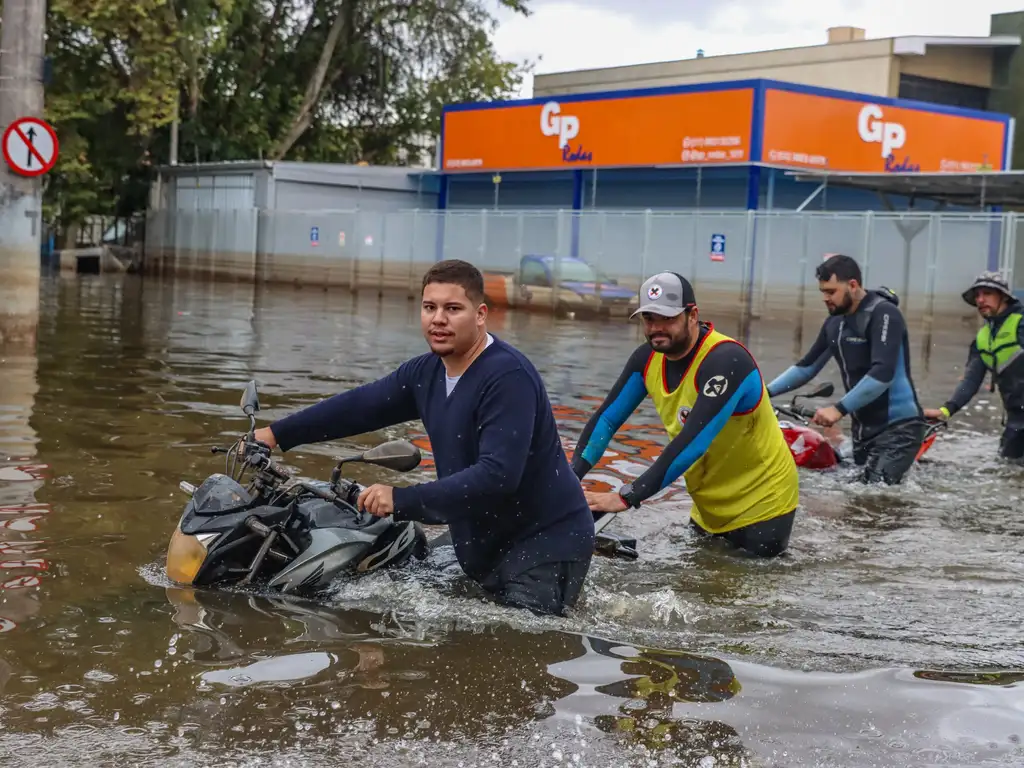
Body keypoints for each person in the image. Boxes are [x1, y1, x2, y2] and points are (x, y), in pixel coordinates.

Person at [251, 259, 595, 617]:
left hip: (544, 543)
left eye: (452, 309)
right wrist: (276, 433)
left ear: (480, 315)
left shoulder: (508, 377)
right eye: (430, 307)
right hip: (484, 540)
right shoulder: (425, 373)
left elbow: (498, 475)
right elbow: (360, 406)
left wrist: (401, 500)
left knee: (511, 656)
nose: (438, 319)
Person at [572, 271, 799, 558]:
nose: (656, 328)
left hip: (764, 503)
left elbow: (692, 443)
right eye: (649, 319)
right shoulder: (646, 359)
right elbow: (607, 419)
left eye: (667, 318)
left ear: (692, 315)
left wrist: (625, 496)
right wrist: (568, 480)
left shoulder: (726, 360)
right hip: (709, 506)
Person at [766, 253, 925, 485]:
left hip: (899, 429)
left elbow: (883, 374)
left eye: (831, 292)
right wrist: (762, 393)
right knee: (853, 496)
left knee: (877, 498)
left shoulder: (884, 314)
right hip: (863, 431)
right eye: (822, 292)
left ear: (853, 285)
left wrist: (839, 409)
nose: (825, 298)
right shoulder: (835, 322)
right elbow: (807, 367)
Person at [923, 271, 1024, 460]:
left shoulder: (1021, 322)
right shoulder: (983, 338)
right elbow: (971, 380)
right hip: (1016, 423)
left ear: (1003, 297)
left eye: (987, 293)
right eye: (977, 295)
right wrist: (945, 411)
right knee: (1007, 470)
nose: (980, 300)